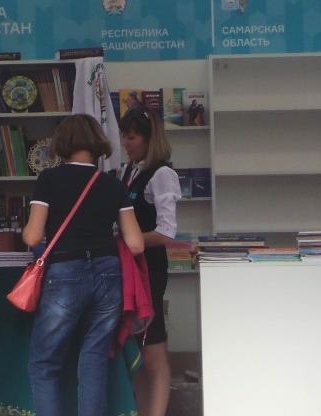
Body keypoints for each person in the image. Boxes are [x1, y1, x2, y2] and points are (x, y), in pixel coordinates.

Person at [23, 114, 145, 416]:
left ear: (62, 143)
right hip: (109, 275)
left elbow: (33, 236)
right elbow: (136, 244)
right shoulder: (112, 185)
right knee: (94, 360)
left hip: (65, 273)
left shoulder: (49, 180)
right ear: (96, 143)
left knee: (44, 364)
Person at [117, 107, 181, 416]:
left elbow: (167, 232)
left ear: (149, 138)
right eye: (124, 137)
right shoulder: (129, 170)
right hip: (129, 269)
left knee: (153, 351)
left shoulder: (162, 174)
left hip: (149, 271)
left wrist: (130, 241)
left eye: (131, 138)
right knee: (138, 353)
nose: (125, 144)